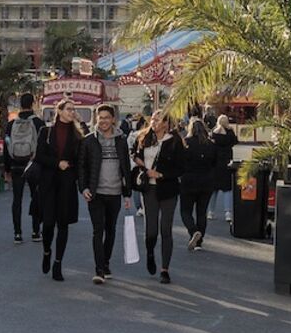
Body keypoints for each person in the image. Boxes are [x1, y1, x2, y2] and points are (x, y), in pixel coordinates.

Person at [80, 105, 133, 284]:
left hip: (115, 192)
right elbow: (82, 168)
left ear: (113, 119)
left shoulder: (121, 140)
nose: (103, 121)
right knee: (98, 230)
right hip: (96, 193)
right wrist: (84, 188)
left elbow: (125, 167)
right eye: (100, 117)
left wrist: (127, 194)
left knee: (111, 230)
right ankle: (99, 269)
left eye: (106, 117)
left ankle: (106, 262)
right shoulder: (88, 141)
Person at [131, 112, 185, 283]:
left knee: (165, 229)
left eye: (158, 119)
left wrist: (161, 174)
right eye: (153, 119)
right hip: (149, 189)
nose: (154, 122)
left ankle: (165, 269)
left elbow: (181, 168)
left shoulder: (174, 141)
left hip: (168, 189)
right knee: (151, 230)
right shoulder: (143, 138)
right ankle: (149, 253)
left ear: (166, 123)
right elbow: (135, 155)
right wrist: (144, 169)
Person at [34, 99, 84, 281]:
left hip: (66, 184)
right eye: (69, 109)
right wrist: (57, 163)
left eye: (73, 109)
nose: (72, 112)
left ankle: (58, 262)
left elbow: (80, 161)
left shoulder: (77, 136)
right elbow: (39, 155)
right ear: (60, 111)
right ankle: (47, 251)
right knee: (47, 224)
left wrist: (80, 182)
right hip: (48, 183)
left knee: (63, 225)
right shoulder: (46, 131)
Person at [2, 94, 45, 243]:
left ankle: (17, 233)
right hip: (33, 165)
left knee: (17, 199)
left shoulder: (11, 124)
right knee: (36, 197)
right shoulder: (39, 123)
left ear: (20, 104)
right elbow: (43, 147)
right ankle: (35, 231)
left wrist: (7, 168)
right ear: (32, 104)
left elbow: (6, 145)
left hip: (15, 165)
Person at [177, 118, 221, 251]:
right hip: (206, 181)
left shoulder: (186, 144)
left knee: (185, 211)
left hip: (188, 180)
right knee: (202, 212)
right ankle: (199, 242)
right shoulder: (211, 144)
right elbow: (216, 163)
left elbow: (180, 162)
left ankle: (193, 231)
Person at [211, 114, 240, 224]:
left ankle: (210, 211)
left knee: (214, 189)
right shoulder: (230, 133)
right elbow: (235, 141)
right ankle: (228, 212)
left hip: (215, 163)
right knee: (227, 189)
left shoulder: (214, 133)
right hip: (227, 163)